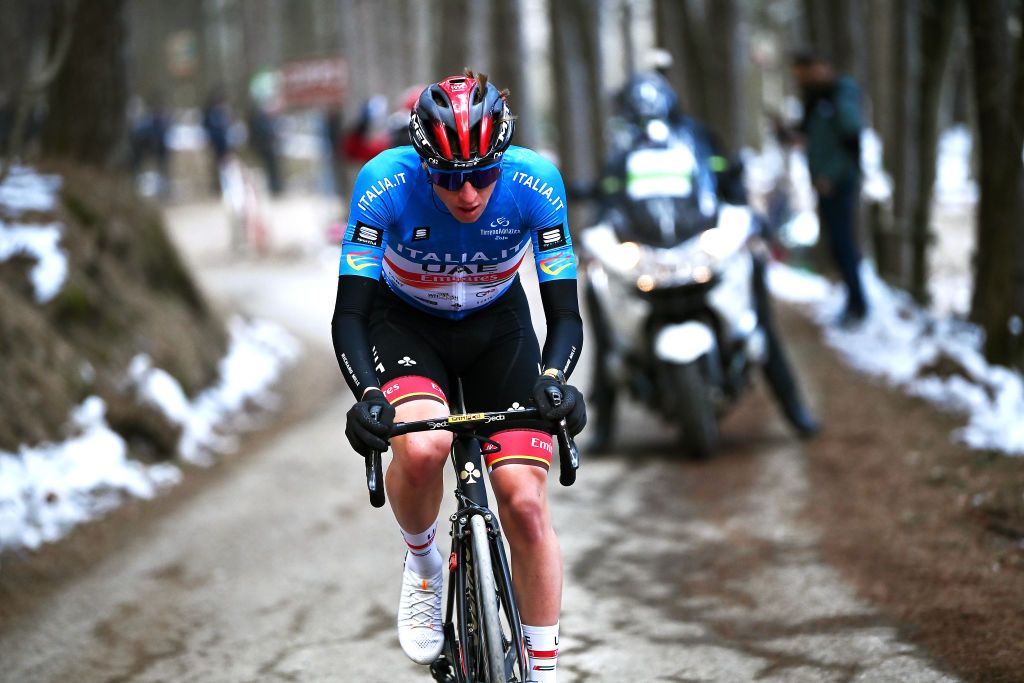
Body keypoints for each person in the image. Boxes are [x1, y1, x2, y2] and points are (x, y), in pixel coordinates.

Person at [331, 71, 586, 682]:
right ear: (423, 162)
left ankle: (544, 670)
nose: (468, 193)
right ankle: (423, 565)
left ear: (504, 160)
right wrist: (367, 394)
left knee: (524, 503)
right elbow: (351, 315)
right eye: (448, 178)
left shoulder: (534, 183)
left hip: (499, 327)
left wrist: (554, 377)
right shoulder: (384, 183)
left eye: (482, 174)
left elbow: (566, 315)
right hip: (406, 326)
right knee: (422, 446)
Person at [791, 51, 869, 325]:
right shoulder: (816, 99)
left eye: (806, 73)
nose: (802, 80)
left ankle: (858, 305)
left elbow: (851, 135)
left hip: (838, 183)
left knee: (844, 244)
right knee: (837, 245)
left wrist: (831, 176)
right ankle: (852, 300)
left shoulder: (839, 94)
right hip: (824, 183)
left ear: (822, 66)